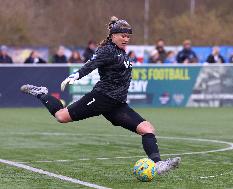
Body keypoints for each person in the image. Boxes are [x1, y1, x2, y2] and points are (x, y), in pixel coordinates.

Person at [20, 16, 181, 175]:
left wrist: (116, 22)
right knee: (61, 116)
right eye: (122, 36)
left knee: (147, 129)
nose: (126, 39)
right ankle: (41, 93)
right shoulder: (107, 50)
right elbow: (90, 65)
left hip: (117, 104)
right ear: (113, 36)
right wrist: (75, 75)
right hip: (101, 98)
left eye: (128, 36)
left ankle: (158, 164)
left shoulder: (121, 51)